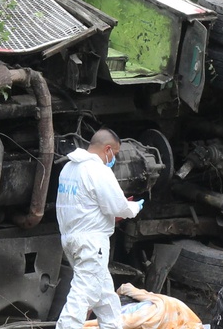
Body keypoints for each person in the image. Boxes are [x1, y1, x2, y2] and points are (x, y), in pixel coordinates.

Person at [56, 128, 145, 329]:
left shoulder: (69, 168)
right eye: (116, 154)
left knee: (105, 297)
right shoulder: (98, 171)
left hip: (71, 238)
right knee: (82, 296)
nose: (114, 159)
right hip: (92, 242)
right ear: (107, 149)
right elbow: (118, 207)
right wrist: (135, 207)